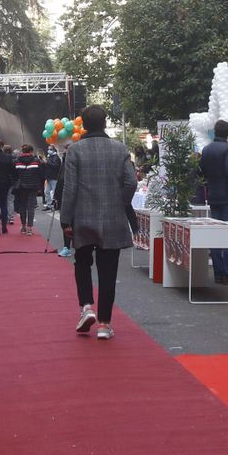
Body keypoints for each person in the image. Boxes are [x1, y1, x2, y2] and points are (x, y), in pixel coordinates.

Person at [59, 106, 136, 341]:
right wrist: (119, 203)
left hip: (82, 217)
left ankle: (86, 307)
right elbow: (131, 182)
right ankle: (104, 323)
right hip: (112, 219)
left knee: (81, 262)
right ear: (104, 123)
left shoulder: (75, 151)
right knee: (108, 272)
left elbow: (69, 188)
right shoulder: (120, 149)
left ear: (84, 124)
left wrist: (66, 219)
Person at [198, 119, 228, 285]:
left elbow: (202, 170)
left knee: (216, 234)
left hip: (213, 196)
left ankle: (219, 272)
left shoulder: (207, 149)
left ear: (215, 132)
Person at [12, 143, 45, 235]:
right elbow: (41, 174)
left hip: (21, 187)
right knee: (31, 207)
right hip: (33, 187)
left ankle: (23, 226)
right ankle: (30, 228)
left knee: (22, 206)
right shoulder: (36, 161)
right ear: (31, 152)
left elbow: (13, 174)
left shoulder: (16, 161)